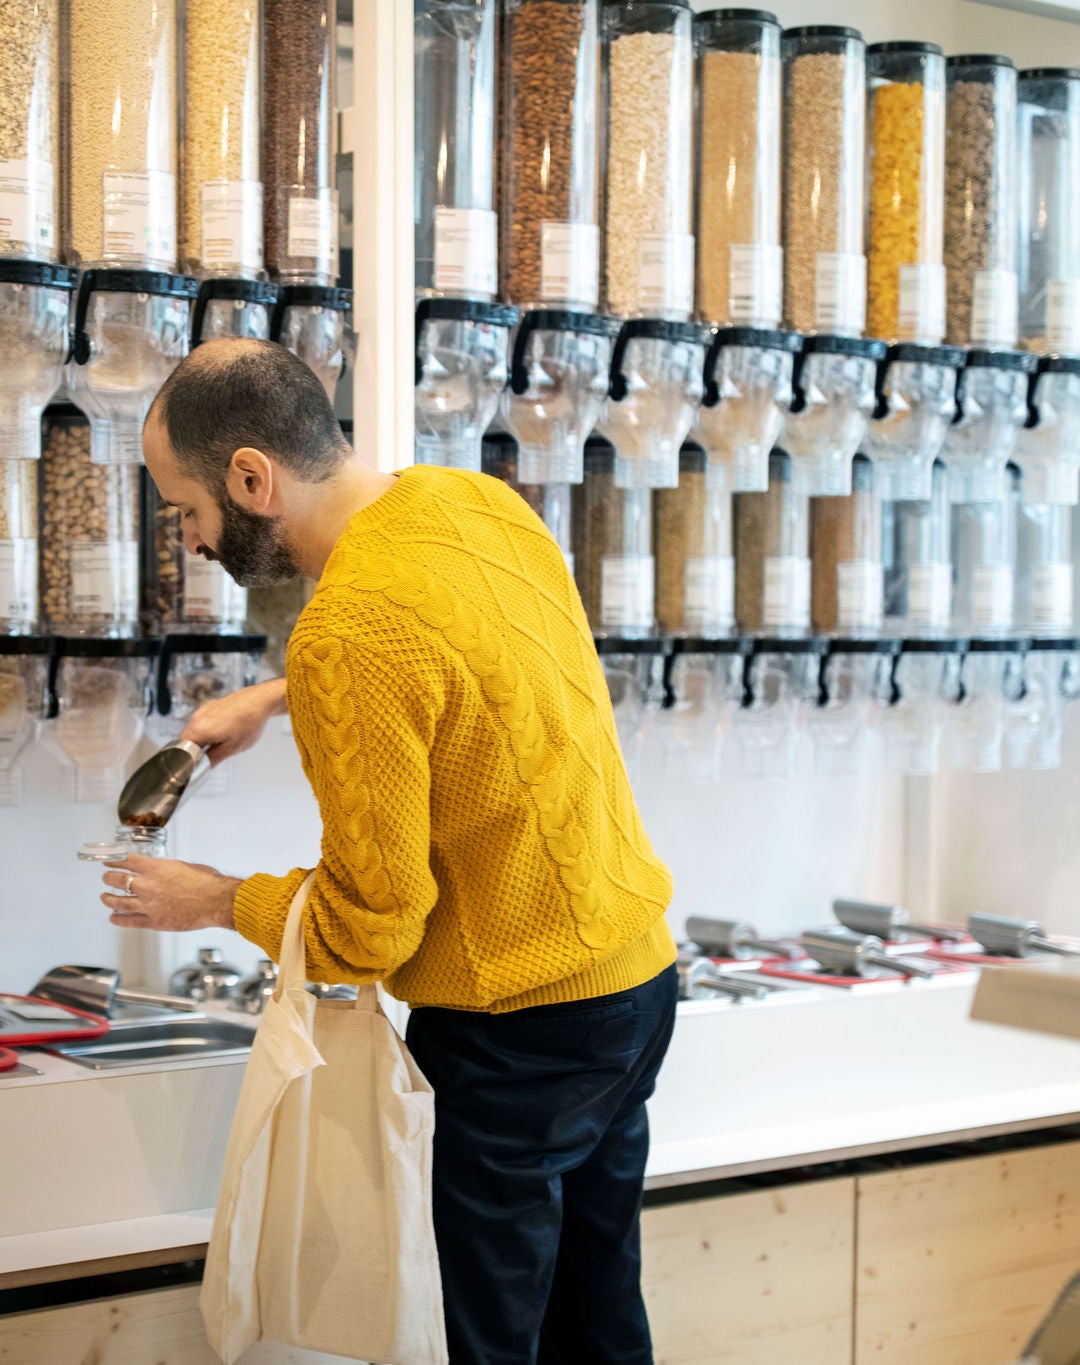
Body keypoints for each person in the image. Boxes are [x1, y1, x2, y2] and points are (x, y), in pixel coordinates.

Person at [104, 338, 678, 1365]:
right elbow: (475, 658)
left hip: (517, 1030)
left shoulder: (346, 633)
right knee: (596, 1320)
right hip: (631, 985)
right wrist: (276, 696)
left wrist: (215, 901)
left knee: (486, 1340)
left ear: (250, 477)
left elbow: (368, 929)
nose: (190, 538)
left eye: (185, 508)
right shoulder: (473, 506)